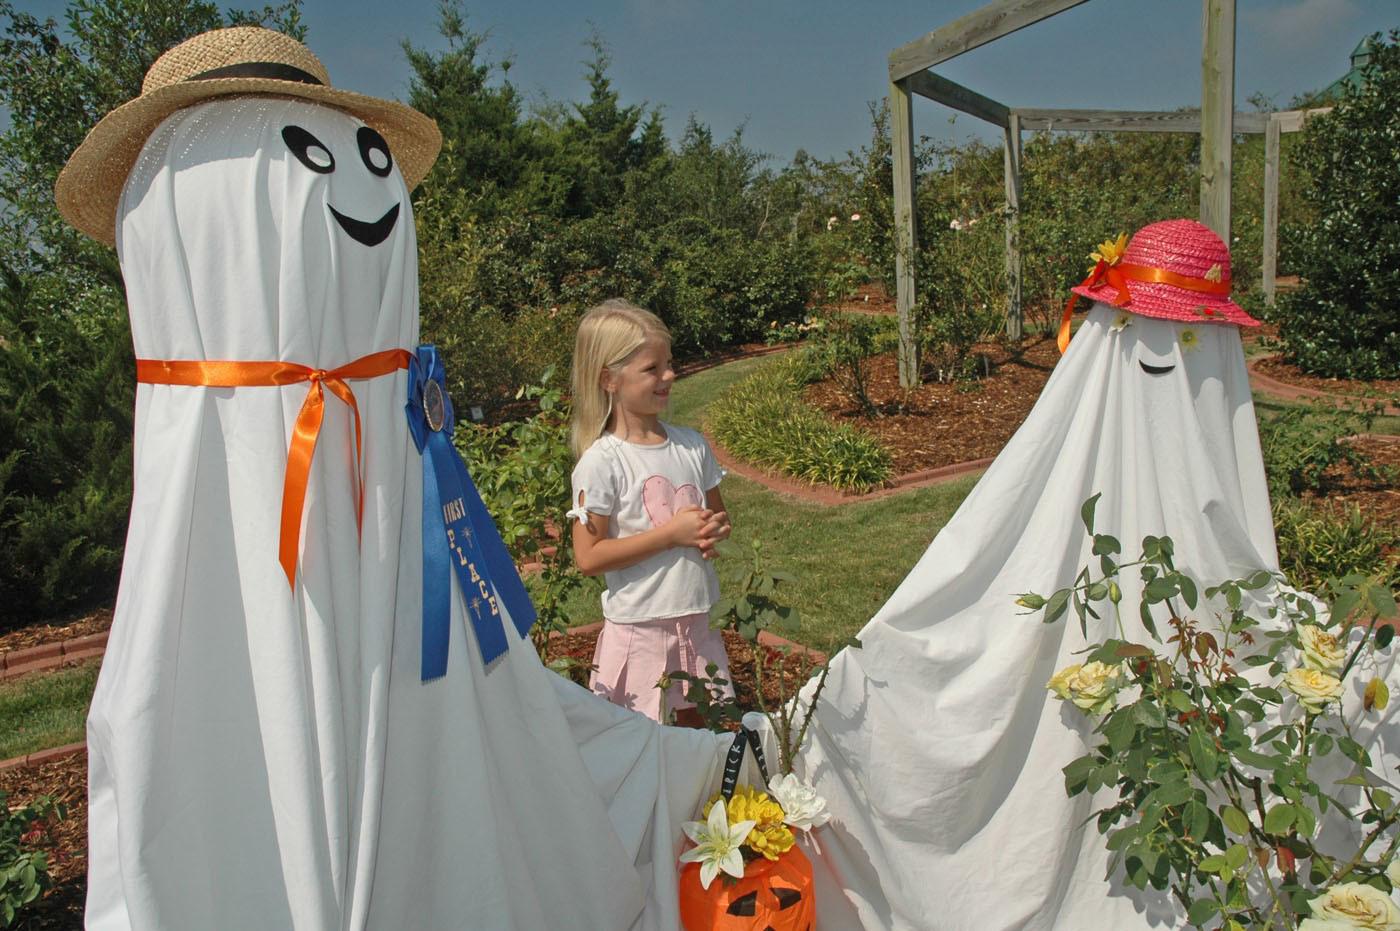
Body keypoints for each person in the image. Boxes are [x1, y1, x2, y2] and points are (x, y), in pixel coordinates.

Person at [568, 299, 734, 723]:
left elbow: (719, 518)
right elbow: (589, 557)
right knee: (644, 739)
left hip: (695, 622)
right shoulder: (603, 462)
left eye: (670, 364)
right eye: (652, 369)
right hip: (640, 632)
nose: (669, 376)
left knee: (702, 733)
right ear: (609, 379)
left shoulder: (692, 445)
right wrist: (671, 535)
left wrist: (709, 530)